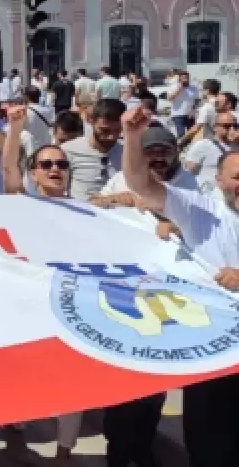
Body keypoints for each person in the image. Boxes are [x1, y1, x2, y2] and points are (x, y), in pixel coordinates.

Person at [118, 104, 239, 467]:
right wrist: (132, 136)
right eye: (237, 177)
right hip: (214, 359)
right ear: (219, 181)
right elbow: (141, 185)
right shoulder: (200, 210)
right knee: (211, 452)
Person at [60, 98, 125, 200]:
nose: (111, 137)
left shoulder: (127, 154)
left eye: (118, 131)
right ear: (91, 121)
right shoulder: (67, 151)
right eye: (105, 130)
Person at [184, 111, 238, 194]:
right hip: (207, 194)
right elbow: (188, 172)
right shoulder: (203, 145)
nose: (232, 129)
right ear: (215, 127)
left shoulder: (236, 146)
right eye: (226, 126)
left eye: (235, 126)